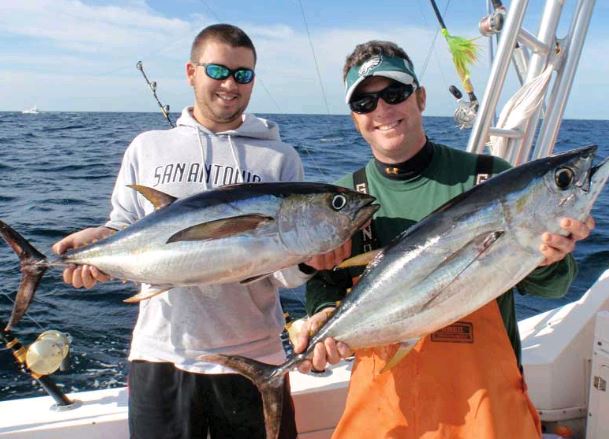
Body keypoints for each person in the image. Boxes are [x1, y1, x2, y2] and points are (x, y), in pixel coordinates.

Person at [296, 40, 595, 438]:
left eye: (395, 93)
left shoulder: (491, 176)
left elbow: (554, 286)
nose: (383, 110)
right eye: (365, 103)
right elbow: (325, 286)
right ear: (354, 118)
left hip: (484, 410)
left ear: (420, 97)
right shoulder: (342, 199)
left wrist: (551, 258)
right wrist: (319, 320)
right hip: (385, 410)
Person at [52, 24, 334, 439]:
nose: (230, 84)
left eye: (243, 74)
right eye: (218, 71)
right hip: (160, 356)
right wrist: (98, 244)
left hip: (254, 357)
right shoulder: (147, 147)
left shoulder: (280, 159)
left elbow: (281, 273)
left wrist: (309, 263)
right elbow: (124, 227)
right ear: (191, 72)